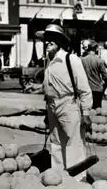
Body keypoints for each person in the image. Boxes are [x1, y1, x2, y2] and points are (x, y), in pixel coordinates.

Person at [39, 24, 92, 180]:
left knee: (72, 143)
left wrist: (86, 113)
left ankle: (77, 179)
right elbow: (48, 87)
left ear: (60, 41)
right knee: (55, 143)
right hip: (52, 106)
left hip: (68, 104)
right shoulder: (48, 62)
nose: (48, 42)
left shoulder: (71, 59)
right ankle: (58, 177)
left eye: (52, 39)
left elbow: (84, 88)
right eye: (46, 39)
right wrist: (47, 111)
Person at [81, 41, 107, 109]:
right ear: (96, 49)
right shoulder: (99, 61)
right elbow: (106, 77)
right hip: (97, 89)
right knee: (97, 113)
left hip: (86, 89)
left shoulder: (82, 60)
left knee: (87, 111)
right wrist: (103, 87)